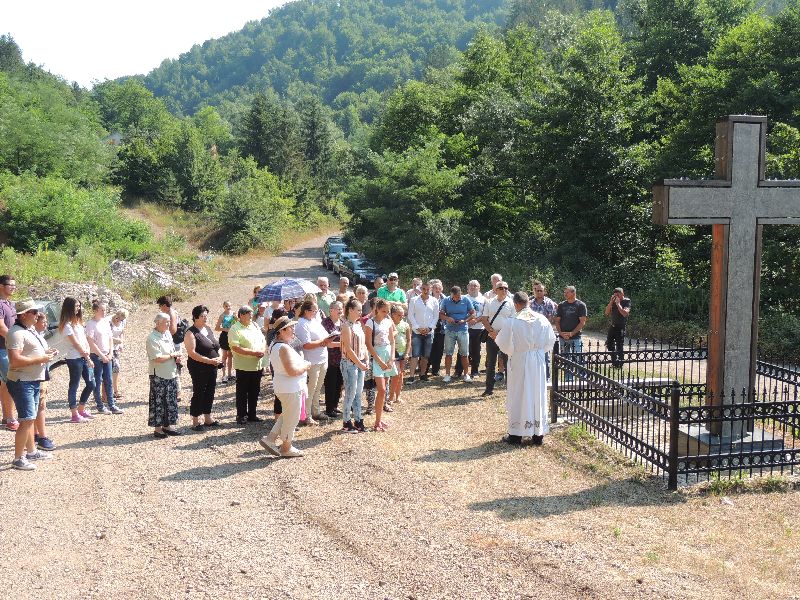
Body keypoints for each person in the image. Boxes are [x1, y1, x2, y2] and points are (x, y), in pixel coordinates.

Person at [496, 292, 557, 445]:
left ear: (516, 304)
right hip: (538, 360)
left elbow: (503, 344)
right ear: (528, 303)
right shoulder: (542, 319)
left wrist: (514, 351)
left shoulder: (513, 320)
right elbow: (550, 341)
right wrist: (538, 351)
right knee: (537, 392)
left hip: (520, 359)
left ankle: (516, 435)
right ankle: (537, 434)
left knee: (519, 392)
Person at [7, 299, 58, 470]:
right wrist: (41, 358)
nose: (37, 315)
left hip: (31, 380)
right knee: (26, 420)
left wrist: (45, 353)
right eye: (34, 312)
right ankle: (18, 459)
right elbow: (14, 360)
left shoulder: (27, 330)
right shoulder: (16, 333)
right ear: (24, 315)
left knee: (29, 419)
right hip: (22, 382)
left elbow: (29, 353)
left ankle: (31, 451)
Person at [260, 316, 311, 458]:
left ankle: (270, 439)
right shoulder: (282, 347)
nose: (293, 330)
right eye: (290, 328)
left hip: (286, 387)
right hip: (290, 388)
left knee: (287, 415)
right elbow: (292, 371)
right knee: (292, 419)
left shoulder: (275, 345)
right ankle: (286, 447)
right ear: (282, 331)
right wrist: (306, 366)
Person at [184, 305, 223, 431]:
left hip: (212, 366)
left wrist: (219, 357)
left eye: (206, 316)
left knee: (210, 391)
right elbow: (192, 353)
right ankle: (195, 421)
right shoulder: (190, 333)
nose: (205, 318)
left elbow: (216, 346)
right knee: (199, 392)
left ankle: (207, 418)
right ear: (195, 317)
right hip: (198, 367)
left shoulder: (208, 328)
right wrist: (209, 361)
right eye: (202, 316)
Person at [59, 297, 95, 423]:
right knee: (74, 385)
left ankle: (81, 409)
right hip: (75, 358)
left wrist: (87, 352)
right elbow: (75, 343)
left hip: (83, 357)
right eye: (76, 306)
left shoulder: (77, 323)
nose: (78, 309)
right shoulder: (67, 325)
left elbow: (83, 340)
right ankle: (74, 414)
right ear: (69, 308)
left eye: (79, 306)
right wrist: (87, 357)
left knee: (91, 384)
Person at [295, 299, 331, 424]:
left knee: (318, 387)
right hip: (311, 360)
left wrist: (328, 339)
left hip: (323, 358)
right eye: (313, 311)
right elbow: (306, 344)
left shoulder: (315, 321)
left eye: (316, 311)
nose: (316, 313)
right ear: (306, 311)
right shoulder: (301, 323)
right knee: (310, 389)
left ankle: (316, 411)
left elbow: (325, 336)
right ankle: (306, 415)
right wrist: (322, 342)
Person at [229, 305, 267, 424]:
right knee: (242, 392)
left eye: (251, 313)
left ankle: (252, 414)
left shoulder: (254, 325)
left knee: (255, 391)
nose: (251, 316)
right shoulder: (235, 329)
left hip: (257, 364)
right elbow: (236, 347)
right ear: (241, 315)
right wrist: (254, 353)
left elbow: (262, 339)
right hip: (243, 366)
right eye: (249, 314)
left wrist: (262, 350)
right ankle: (241, 415)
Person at [146, 313, 182, 438]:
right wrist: (172, 356)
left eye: (169, 321)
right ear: (158, 323)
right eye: (166, 322)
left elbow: (171, 350)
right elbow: (157, 358)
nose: (168, 324)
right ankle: (158, 429)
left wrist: (176, 357)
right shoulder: (152, 338)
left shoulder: (167, 334)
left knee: (170, 401)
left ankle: (167, 426)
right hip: (159, 375)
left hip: (171, 372)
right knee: (159, 402)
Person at [364, 299, 396, 432]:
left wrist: (392, 358)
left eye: (388, 311)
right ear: (377, 309)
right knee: (381, 389)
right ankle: (377, 421)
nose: (386, 314)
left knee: (384, 390)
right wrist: (379, 361)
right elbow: (368, 343)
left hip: (387, 354)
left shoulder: (388, 321)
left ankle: (379, 419)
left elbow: (392, 341)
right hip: (376, 356)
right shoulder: (370, 322)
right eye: (383, 311)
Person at [86, 301, 123, 415]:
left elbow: (110, 338)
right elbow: (91, 342)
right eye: (102, 310)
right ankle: (100, 406)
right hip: (96, 356)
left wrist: (110, 353)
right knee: (97, 381)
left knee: (109, 380)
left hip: (107, 355)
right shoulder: (90, 324)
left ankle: (112, 405)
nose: (104, 312)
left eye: (105, 310)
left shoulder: (106, 322)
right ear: (95, 311)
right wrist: (101, 355)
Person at [479, 281, 515, 397]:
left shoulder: (511, 303)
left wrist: (502, 333)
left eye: (506, 288)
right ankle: (489, 389)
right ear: (496, 290)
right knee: (491, 363)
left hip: (506, 337)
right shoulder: (489, 302)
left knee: (507, 363)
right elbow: (484, 319)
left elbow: (513, 320)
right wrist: (491, 332)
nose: (504, 290)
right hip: (492, 336)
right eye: (501, 288)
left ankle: (510, 389)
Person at [339, 298, 368, 433]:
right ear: (350, 310)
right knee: (350, 393)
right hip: (349, 364)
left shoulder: (358, 324)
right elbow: (348, 349)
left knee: (358, 393)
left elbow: (363, 344)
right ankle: (346, 421)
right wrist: (359, 363)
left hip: (360, 363)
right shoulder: (346, 326)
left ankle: (358, 419)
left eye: (361, 310)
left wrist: (366, 359)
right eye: (358, 310)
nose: (360, 312)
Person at [440, 286, 476, 383]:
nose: (457, 298)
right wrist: (448, 318)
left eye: (459, 297)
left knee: (464, 354)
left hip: (463, 330)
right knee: (448, 353)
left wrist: (465, 320)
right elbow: (441, 314)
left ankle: (466, 375)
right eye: (455, 297)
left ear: (461, 293)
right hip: (449, 330)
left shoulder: (466, 300)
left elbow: (473, 313)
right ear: (451, 295)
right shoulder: (446, 301)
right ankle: (447, 375)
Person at [407, 281, 438, 384]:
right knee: (415, 354)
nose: (426, 291)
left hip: (429, 332)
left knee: (425, 355)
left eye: (428, 289)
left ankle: (422, 374)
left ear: (431, 289)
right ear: (421, 289)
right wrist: (417, 328)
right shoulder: (414, 300)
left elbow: (436, 316)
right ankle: (411, 376)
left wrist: (430, 328)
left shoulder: (434, 301)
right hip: (417, 331)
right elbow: (410, 315)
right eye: (424, 289)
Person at [32, 312, 55, 451]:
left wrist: (49, 352)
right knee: (40, 407)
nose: (46, 324)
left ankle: (35, 434)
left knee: (38, 406)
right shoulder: (33, 336)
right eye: (43, 321)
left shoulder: (38, 336)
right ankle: (42, 437)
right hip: (38, 374)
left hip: (42, 373)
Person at [555, 286, 588, 381]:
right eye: (564, 292)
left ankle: (583, 380)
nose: (565, 294)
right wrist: (561, 333)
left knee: (578, 359)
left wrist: (571, 333)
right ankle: (568, 380)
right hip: (563, 338)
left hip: (576, 337)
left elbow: (582, 322)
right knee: (566, 359)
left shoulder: (580, 305)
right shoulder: (561, 305)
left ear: (573, 293)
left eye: (567, 292)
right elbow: (557, 321)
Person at [0, 274, 19, 432]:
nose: (13, 287)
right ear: (1, 286)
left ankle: (7, 417)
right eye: (10, 285)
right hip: (3, 349)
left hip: (8, 348)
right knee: (10, 383)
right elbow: (1, 328)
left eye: (14, 285)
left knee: (5, 383)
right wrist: (16, 342)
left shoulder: (10, 304)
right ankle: (10, 418)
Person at [456, 280, 485, 379]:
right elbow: (459, 311)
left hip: (478, 328)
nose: (473, 287)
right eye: (471, 286)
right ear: (468, 287)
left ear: (479, 288)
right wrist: (466, 321)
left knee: (476, 350)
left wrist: (476, 320)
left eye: (475, 286)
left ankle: (475, 371)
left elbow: (485, 314)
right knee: (462, 350)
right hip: (465, 327)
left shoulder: (483, 299)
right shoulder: (463, 298)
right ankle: (458, 371)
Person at [530, 280, 558, 381]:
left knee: (545, 356)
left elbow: (550, 319)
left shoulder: (549, 303)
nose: (539, 292)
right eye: (537, 290)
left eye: (541, 290)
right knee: (532, 355)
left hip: (544, 333)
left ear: (544, 291)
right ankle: (534, 377)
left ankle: (546, 378)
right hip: (532, 334)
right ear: (534, 291)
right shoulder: (530, 304)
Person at [157, 295, 184, 398]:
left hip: (174, 344)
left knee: (175, 367)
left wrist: (162, 330)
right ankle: (175, 391)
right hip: (172, 343)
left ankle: (177, 392)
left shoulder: (171, 313)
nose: (160, 308)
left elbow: (173, 330)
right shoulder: (170, 312)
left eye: (160, 306)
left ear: (164, 305)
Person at [321, 301, 343, 419]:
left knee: (339, 383)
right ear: (331, 310)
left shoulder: (343, 322)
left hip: (342, 358)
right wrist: (343, 344)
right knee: (330, 384)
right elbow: (326, 343)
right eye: (338, 308)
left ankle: (335, 406)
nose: (340, 311)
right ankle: (329, 409)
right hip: (330, 358)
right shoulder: (325, 323)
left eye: (341, 308)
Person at [604, 287, 631, 368]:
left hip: (620, 327)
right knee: (609, 344)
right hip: (613, 326)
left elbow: (625, 313)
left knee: (619, 346)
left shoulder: (626, 301)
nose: (617, 297)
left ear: (622, 294)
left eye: (618, 295)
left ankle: (620, 363)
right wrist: (611, 302)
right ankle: (614, 362)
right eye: (615, 295)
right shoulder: (613, 302)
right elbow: (606, 313)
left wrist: (618, 304)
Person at [390, 304, 411, 405]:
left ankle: (398, 396)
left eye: (403, 315)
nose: (401, 317)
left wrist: (407, 352)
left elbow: (409, 339)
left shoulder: (406, 325)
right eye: (399, 315)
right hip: (393, 353)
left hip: (403, 352)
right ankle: (390, 397)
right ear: (393, 314)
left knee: (400, 374)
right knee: (396, 374)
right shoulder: (389, 324)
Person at [427, 279, 446, 378]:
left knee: (439, 349)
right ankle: (425, 369)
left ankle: (436, 370)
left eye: (439, 288)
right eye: (435, 288)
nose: (437, 290)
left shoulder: (446, 299)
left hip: (441, 327)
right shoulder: (427, 298)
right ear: (432, 289)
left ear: (442, 289)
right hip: (429, 326)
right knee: (428, 347)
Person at [214, 300, 236, 383]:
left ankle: (229, 374)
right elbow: (216, 328)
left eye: (229, 306)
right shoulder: (222, 316)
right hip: (224, 336)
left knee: (230, 355)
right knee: (224, 356)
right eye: (226, 306)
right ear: (223, 307)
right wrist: (225, 329)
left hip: (232, 335)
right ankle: (224, 375)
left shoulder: (234, 314)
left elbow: (238, 323)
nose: (228, 307)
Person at [109, 309, 128, 401]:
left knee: (116, 369)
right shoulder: (109, 321)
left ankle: (115, 391)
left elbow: (122, 333)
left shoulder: (123, 322)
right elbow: (105, 336)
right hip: (108, 348)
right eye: (118, 318)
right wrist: (116, 340)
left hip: (116, 348)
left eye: (121, 319)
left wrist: (121, 343)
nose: (119, 321)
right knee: (108, 370)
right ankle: (107, 392)